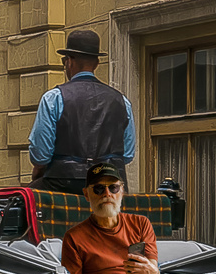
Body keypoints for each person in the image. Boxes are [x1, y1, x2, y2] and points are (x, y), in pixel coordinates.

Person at [28, 29, 136, 193]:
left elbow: (40, 155)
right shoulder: (122, 101)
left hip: (64, 184)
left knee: (14, 205)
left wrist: (39, 171)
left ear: (69, 61)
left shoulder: (54, 98)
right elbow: (127, 155)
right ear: (96, 64)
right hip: (110, 188)